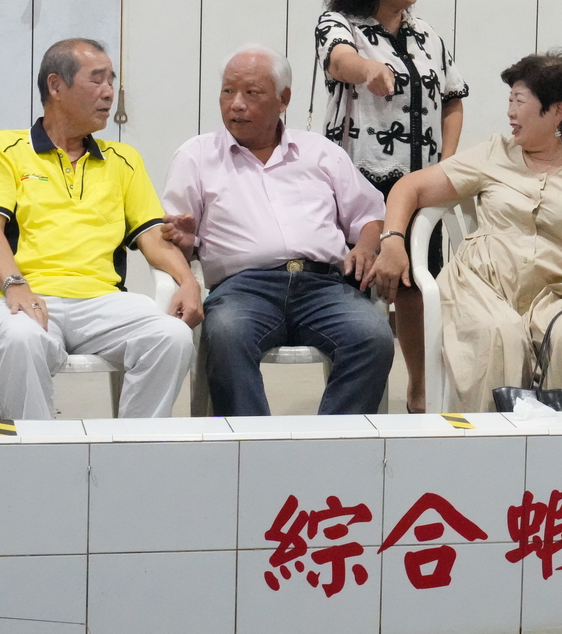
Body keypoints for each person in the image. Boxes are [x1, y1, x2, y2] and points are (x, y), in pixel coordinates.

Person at [371, 52, 562, 411]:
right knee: (498, 335)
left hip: (561, 291)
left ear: (557, 111)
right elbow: (410, 188)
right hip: (482, 286)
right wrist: (393, 241)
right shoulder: (494, 153)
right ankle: (487, 442)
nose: (510, 112)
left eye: (519, 102)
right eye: (510, 101)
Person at [0, 39, 201, 419]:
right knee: (19, 338)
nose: (109, 92)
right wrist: (15, 285)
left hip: (103, 301)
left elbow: (154, 239)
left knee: (172, 337)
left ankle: (132, 446)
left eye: (112, 80)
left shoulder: (124, 159)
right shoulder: (5, 148)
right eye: (97, 79)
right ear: (56, 86)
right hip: (23, 293)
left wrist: (187, 282)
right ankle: (40, 447)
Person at [162, 45, 393, 417]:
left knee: (373, 337)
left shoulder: (320, 152)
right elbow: (174, 242)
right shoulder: (197, 156)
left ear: (283, 99)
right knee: (227, 335)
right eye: (227, 91)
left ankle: (332, 444)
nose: (236, 104)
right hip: (243, 289)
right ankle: (254, 447)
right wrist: (185, 240)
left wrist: (366, 245)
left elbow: (369, 215)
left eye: (251, 93)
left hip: (324, 286)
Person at [314, 0, 467, 412]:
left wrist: (446, 165)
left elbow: (453, 100)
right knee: (360, 284)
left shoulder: (428, 36)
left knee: (417, 285)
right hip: (359, 184)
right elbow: (339, 61)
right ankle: (357, 392)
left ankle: (419, 387)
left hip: (421, 184)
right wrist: (369, 69)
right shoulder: (341, 24)